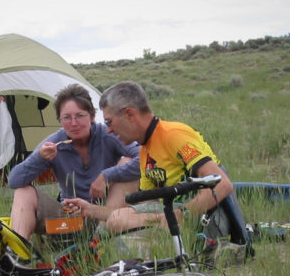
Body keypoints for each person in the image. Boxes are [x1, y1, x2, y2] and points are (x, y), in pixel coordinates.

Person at [65, 81, 247, 242]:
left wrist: (180, 215)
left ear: (129, 114)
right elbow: (144, 208)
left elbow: (223, 184)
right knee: (112, 223)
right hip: (169, 214)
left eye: (110, 122)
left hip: (204, 218)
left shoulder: (173, 135)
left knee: (118, 223)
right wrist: (90, 210)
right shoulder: (146, 150)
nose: (109, 131)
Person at [8, 84, 141, 240]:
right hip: (70, 217)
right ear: (59, 120)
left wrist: (107, 175)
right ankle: (17, 254)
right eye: (67, 117)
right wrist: (40, 158)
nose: (74, 123)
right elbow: (14, 181)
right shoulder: (55, 143)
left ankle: (103, 241)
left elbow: (145, 159)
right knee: (23, 192)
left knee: (127, 161)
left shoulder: (108, 135)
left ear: (91, 116)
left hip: (105, 215)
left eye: (80, 115)